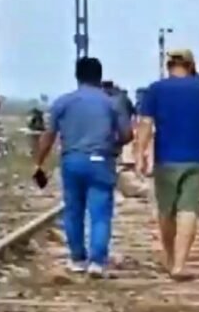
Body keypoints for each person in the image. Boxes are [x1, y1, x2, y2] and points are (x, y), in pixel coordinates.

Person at [34, 57, 130, 277]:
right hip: (100, 160)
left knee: (73, 210)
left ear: (77, 76)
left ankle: (77, 259)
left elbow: (48, 136)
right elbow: (127, 134)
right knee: (100, 213)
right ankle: (97, 261)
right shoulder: (112, 103)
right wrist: (113, 146)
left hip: (72, 160)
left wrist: (39, 163)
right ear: (99, 76)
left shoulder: (63, 102)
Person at [134, 48, 199, 281]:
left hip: (166, 159)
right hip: (197, 159)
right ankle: (180, 265)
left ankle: (171, 257)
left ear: (168, 66)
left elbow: (145, 124)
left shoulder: (155, 89)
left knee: (166, 211)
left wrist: (140, 154)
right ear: (192, 65)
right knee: (188, 210)